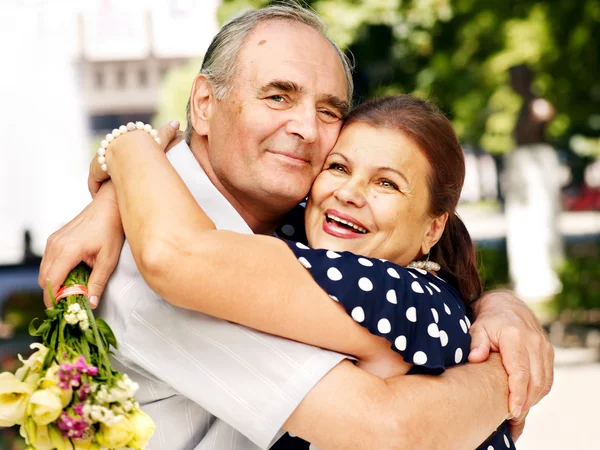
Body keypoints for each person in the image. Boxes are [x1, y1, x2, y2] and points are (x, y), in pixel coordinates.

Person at [39, 4, 553, 450]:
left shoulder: (296, 232)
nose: (307, 129)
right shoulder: (141, 271)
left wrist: (500, 307)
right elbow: (389, 430)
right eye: (278, 97)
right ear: (202, 105)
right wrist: (503, 374)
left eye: (329, 110)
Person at [88, 94, 517, 450]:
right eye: (338, 167)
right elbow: (243, 192)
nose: (348, 193)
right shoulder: (326, 240)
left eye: (386, 183)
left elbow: (182, 254)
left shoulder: (395, 292)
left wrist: (131, 146)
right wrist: (110, 203)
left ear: (433, 226)